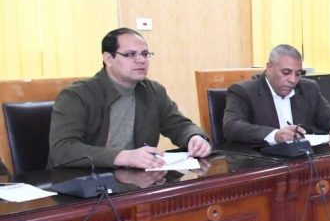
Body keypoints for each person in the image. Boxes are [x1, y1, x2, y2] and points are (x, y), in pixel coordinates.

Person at [49, 27, 211, 169]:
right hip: (82, 181)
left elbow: (179, 125)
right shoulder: (77, 95)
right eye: (130, 54)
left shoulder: (153, 91)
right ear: (108, 59)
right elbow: (63, 149)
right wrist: (124, 157)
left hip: (135, 179)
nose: (141, 60)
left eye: (145, 54)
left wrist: (194, 137)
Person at [222, 44, 330, 145]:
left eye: (298, 74)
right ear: (269, 68)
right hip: (263, 164)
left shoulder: (308, 88)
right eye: (286, 72)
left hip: (303, 163)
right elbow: (232, 127)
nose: (293, 80)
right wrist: (275, 135)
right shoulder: (243, 91)